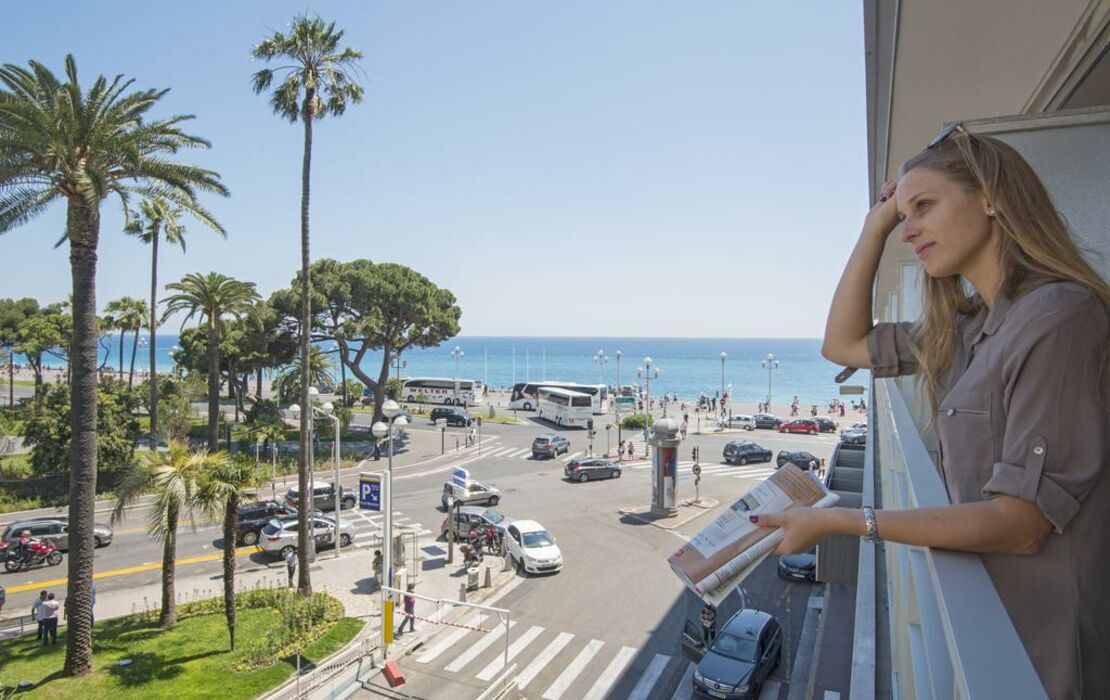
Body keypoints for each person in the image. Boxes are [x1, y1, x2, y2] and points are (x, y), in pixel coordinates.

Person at [754, 126, 1110, 700]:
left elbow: (1020, 525)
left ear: (990, 196)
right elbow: (842, 345)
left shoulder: (1059, 319)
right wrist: (876, 224)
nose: (908, 229)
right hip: (992, 632)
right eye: (903, 214)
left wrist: (842, 521)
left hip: (1050, 656)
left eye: (924, 207)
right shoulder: (966, 328)